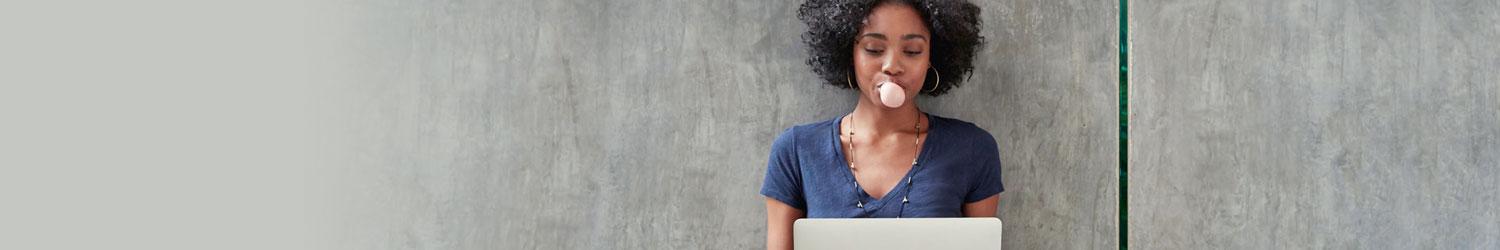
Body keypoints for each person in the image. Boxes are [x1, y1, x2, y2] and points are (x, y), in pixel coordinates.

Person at [761, 0, 1002, 249]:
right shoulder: (796, 150)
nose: (892, 66)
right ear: (849, 53)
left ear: (933, 57)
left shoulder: (972, 148)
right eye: (874, 49)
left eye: (912, 51)